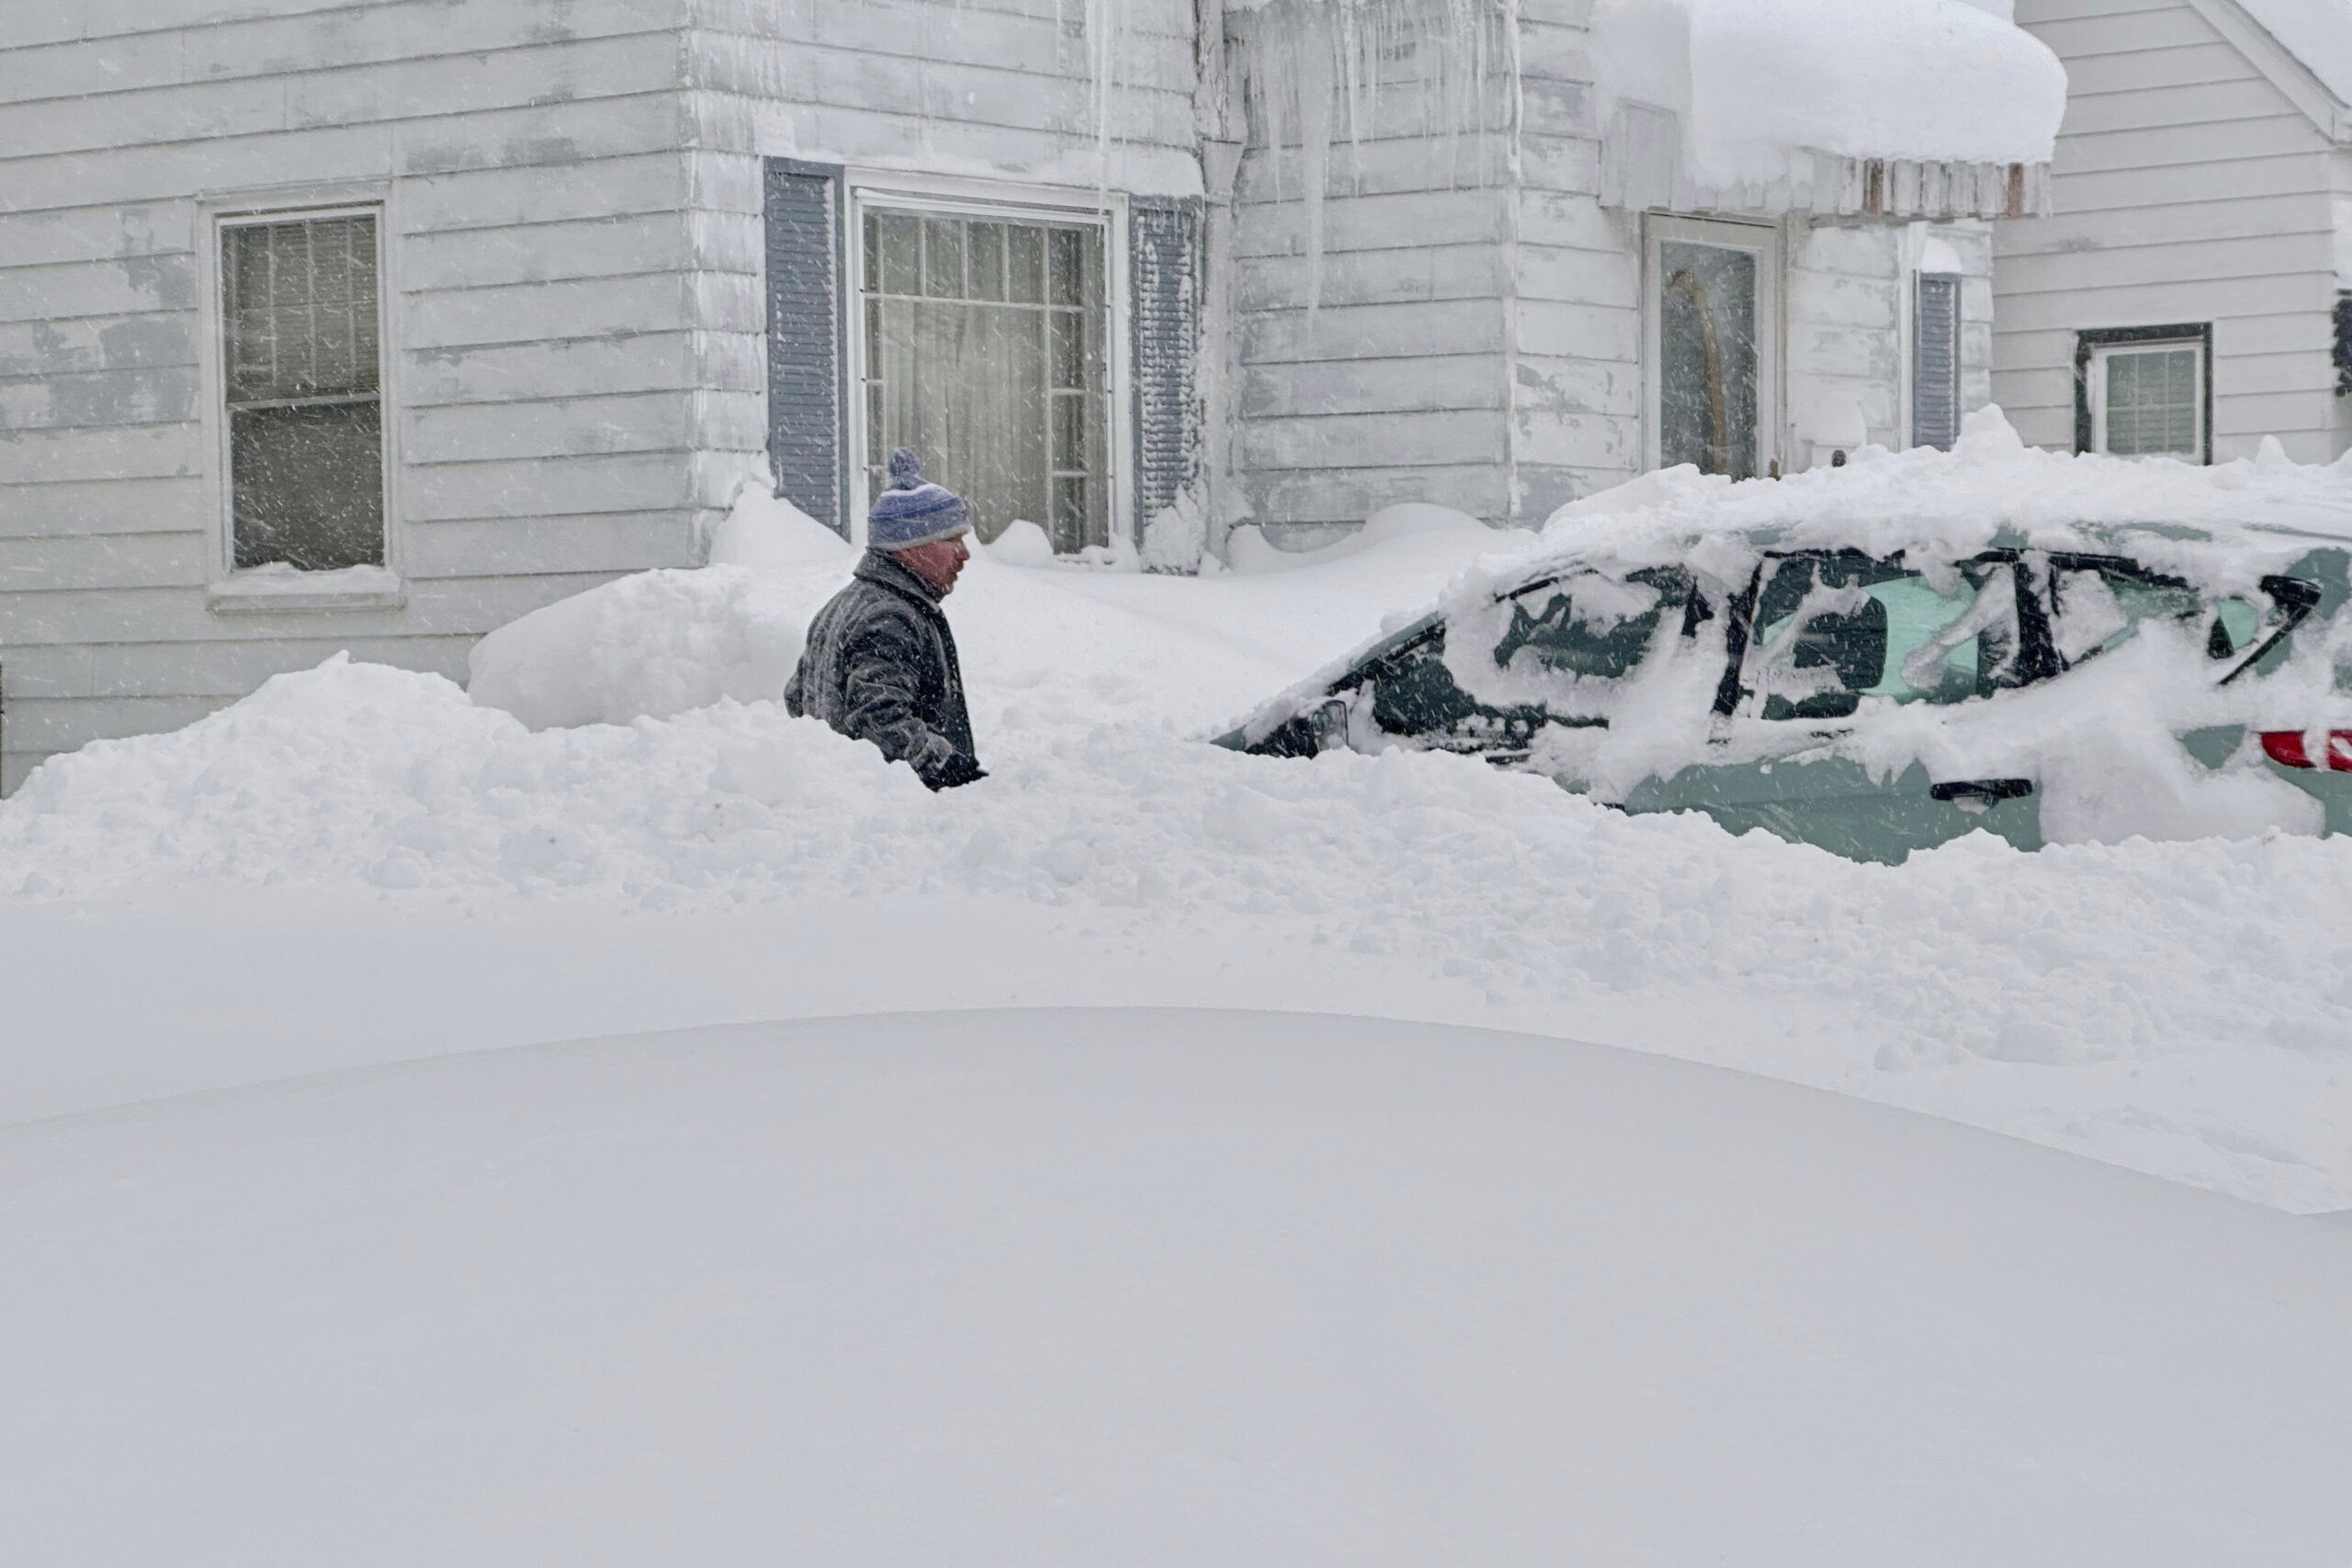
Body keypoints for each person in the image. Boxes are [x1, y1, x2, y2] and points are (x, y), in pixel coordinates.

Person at [785, 449, 986, 790]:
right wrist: (946, 768)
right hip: (891, 804)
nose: (964, 554)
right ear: (911, 545)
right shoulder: (891, 617)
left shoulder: (846, 603)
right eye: (952, 539)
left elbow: (797, 697)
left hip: (843, 794)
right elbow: (880, 720)